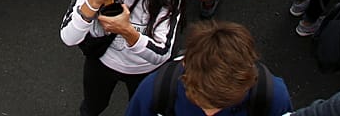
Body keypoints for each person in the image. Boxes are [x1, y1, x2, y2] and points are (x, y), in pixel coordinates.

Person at [60, 0, 186, 116]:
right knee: (92, 107)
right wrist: (92, 2)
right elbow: (68, 37)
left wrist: (127, 31)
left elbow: (162, 54)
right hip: (102, 62)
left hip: (145, 71)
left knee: (141, 111)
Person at [122, 21, 291, 116]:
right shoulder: (154, 92)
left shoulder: (272, 96)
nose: (209, 114)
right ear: (185, 65)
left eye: (223, 105)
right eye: (200, 100)